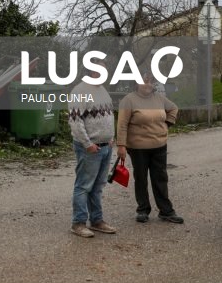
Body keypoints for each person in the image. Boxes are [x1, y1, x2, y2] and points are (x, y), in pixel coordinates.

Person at [116, 72, 183, 224]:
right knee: (141, 179)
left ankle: (166, 211)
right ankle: (143, 210)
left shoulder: (159, 98)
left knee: (160, 178)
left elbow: (174, 108)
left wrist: (167, 124)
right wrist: (121, 146)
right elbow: (122, 125)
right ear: (137, 83)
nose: (148, 84)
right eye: (145, 81)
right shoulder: (129, 100)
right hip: (138, 147)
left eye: (151, 82)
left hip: (159, 145)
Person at [67, 71, 117, 237]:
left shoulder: (102, 90)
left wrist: (111, 138)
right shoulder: (79, 92)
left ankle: (97, 220)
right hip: (89, 148)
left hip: (105, 147)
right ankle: (78, 223)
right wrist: (87, 144)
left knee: (97, 186)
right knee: (83, 186)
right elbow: (75, 121)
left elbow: (108, 115)